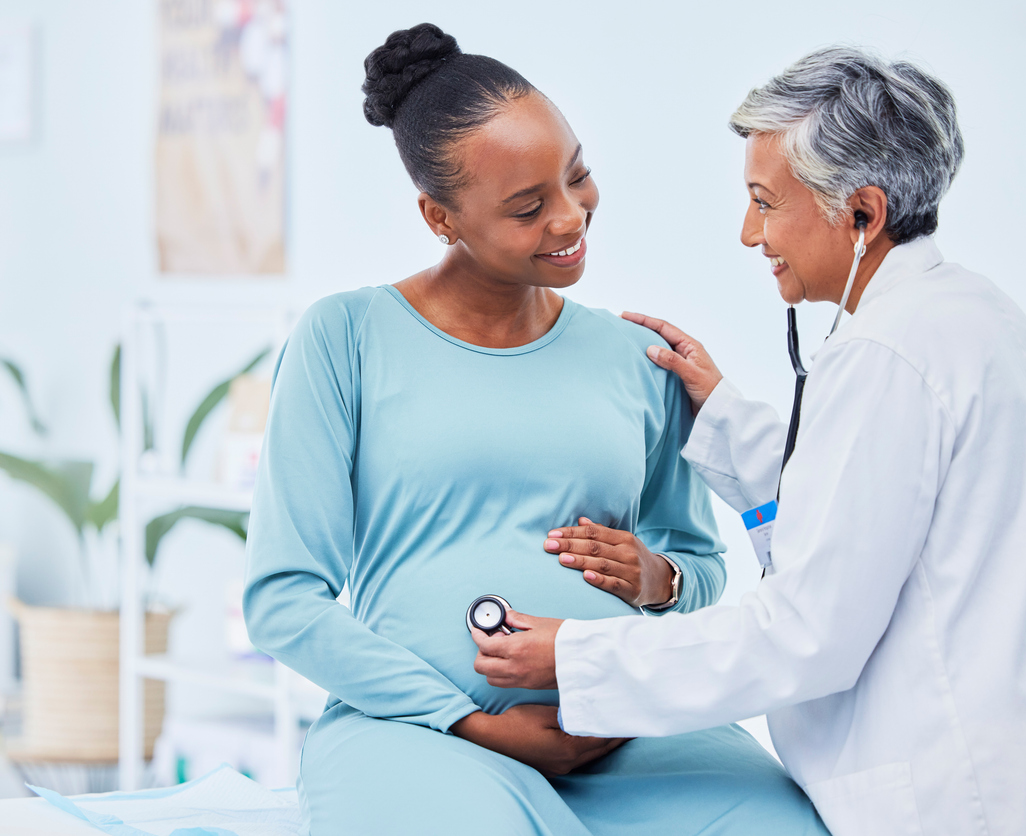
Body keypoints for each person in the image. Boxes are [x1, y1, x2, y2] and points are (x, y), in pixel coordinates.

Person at [470, 47, 1026, 836]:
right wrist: (722, 412)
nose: (748, 234)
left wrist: (577, 656)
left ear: (861, 214)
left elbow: (806, 634)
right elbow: (879, 513)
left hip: (950, 798)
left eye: (764, 202)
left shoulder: (889, 353)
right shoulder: (969, 315)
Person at [243, 23, 828, 836]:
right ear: (439, 217)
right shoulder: (344, 338)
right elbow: (283, 600)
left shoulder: (635, 357)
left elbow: (698, 564)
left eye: (576, 175)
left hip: (629, 727)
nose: (569, 217)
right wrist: (470, 721)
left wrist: (657, 578)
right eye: (527, 207)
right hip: (421, 735)